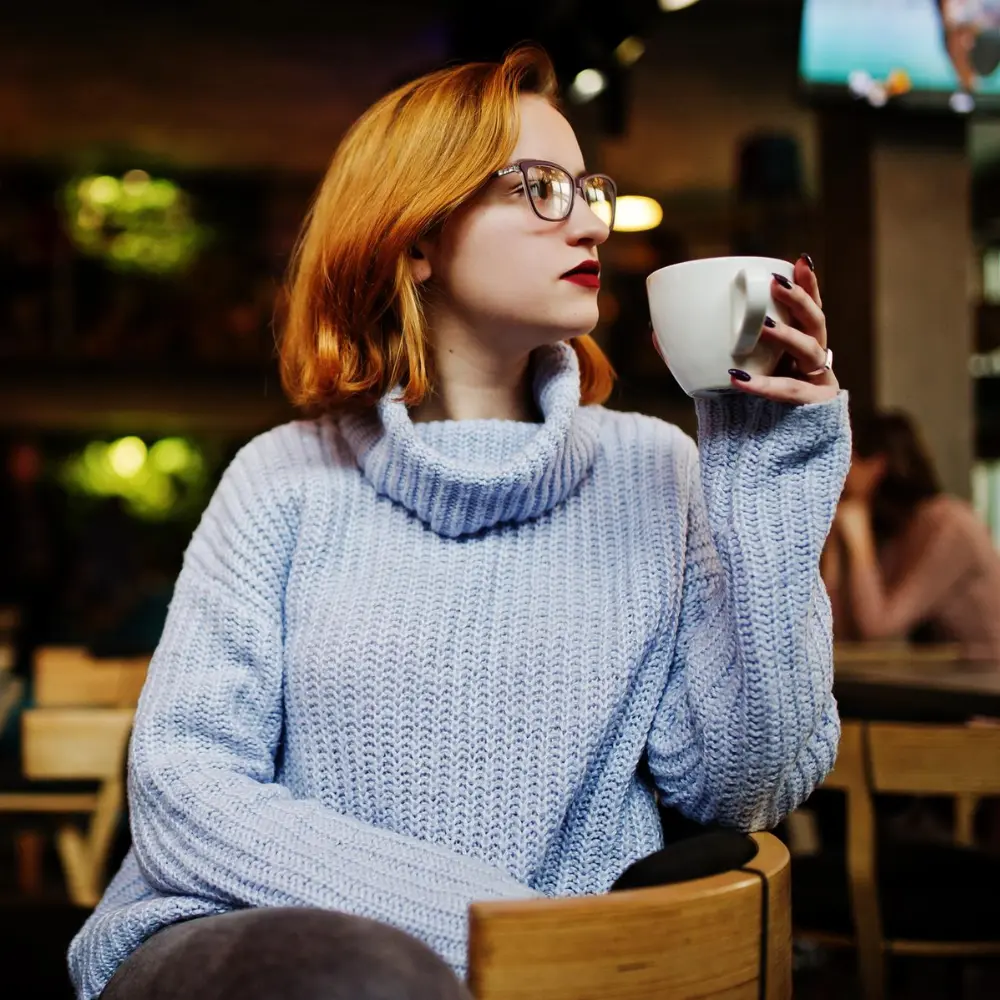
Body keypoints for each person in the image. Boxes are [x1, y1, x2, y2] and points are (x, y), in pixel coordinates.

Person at [68, 46, 849, 1000]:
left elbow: (741, 790)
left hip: (570, 969)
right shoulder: (282, 481)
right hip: (273, 945)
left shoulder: (659, 467)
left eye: (588, 188)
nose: (593, 218)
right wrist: (495, 931)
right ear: (416, 236)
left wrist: (767, 472)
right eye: (539, 188)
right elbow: (186, 795)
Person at [823, 410, 1000, 660]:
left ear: (877, 466)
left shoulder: (951, 525)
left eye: (842, 462)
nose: (833, 477)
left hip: (988, 681)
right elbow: (842, 634)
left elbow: (878, 629)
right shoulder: (898, 530)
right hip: (955, 675)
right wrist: (834, 549)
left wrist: (859, 543)